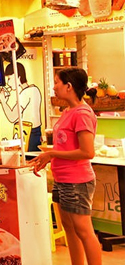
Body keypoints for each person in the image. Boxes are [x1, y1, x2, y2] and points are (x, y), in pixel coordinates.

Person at [30, 68, 101, 265]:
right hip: (62, 179)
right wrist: (48, 157)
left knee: (84, 230)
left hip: (77, 180)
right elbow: (66, 144)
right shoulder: (69, 111)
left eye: (56, 82)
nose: (53, 87)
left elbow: (87, 152)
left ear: (68, 86)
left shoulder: (83, 113)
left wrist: (51, 154)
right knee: (70, 228)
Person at [0, 62, 44, 151]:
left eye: (9, 78)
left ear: (17, 76)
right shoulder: (34, 89)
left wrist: (3, 102)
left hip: (28, 132)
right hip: (34, 131)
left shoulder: (26, 93)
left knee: (27, 159)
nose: (8, 83)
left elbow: (12, 117)